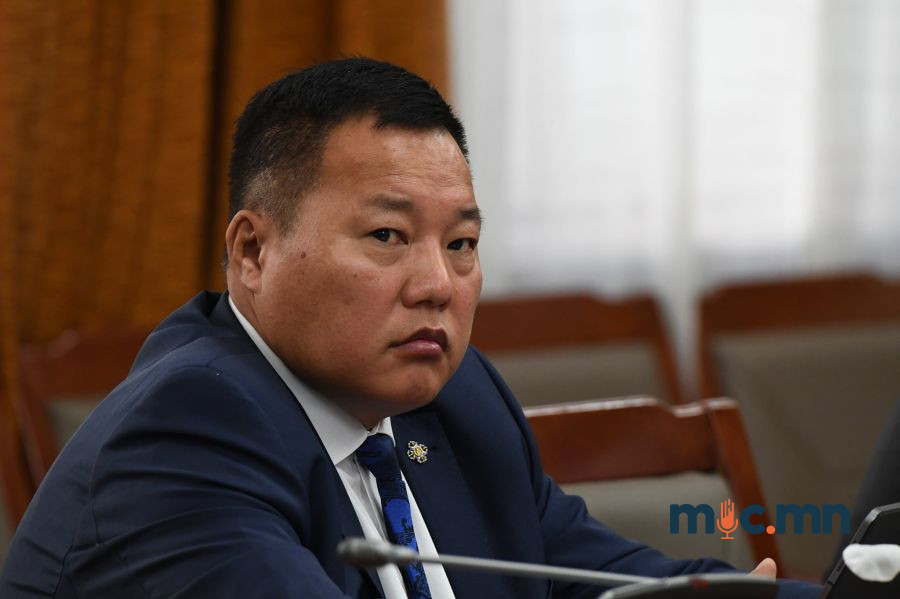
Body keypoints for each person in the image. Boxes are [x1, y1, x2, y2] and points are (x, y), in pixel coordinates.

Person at [0, 57, 821, 598]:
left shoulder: (454, 401)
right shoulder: (189, 431)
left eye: (461, 244)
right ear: (252, 251)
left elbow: (603, 579)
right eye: (388, 236)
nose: (437, 285)